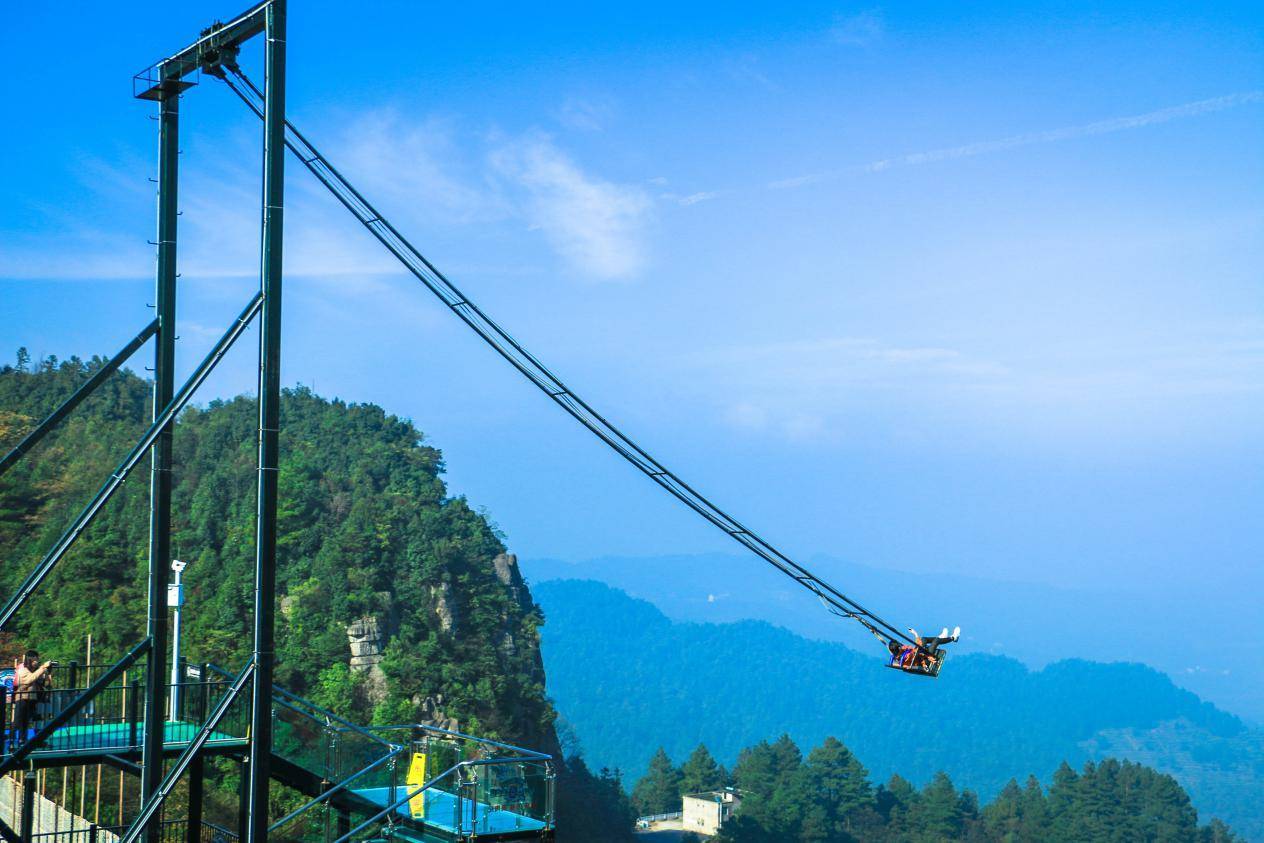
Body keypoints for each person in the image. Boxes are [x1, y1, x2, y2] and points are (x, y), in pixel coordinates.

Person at [12, 649, 52, 746]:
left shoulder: (35, 670)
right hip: (22, 698)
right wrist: (42, 668)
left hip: (32, 698)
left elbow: (45, 683)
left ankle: (28, 741)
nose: (37, 662)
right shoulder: (22, 669)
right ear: (29, 660)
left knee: (29, 721)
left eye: (37, 660)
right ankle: (11, 742)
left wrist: (48, 672)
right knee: (18, 722)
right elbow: (29, 679)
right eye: (35, 660)